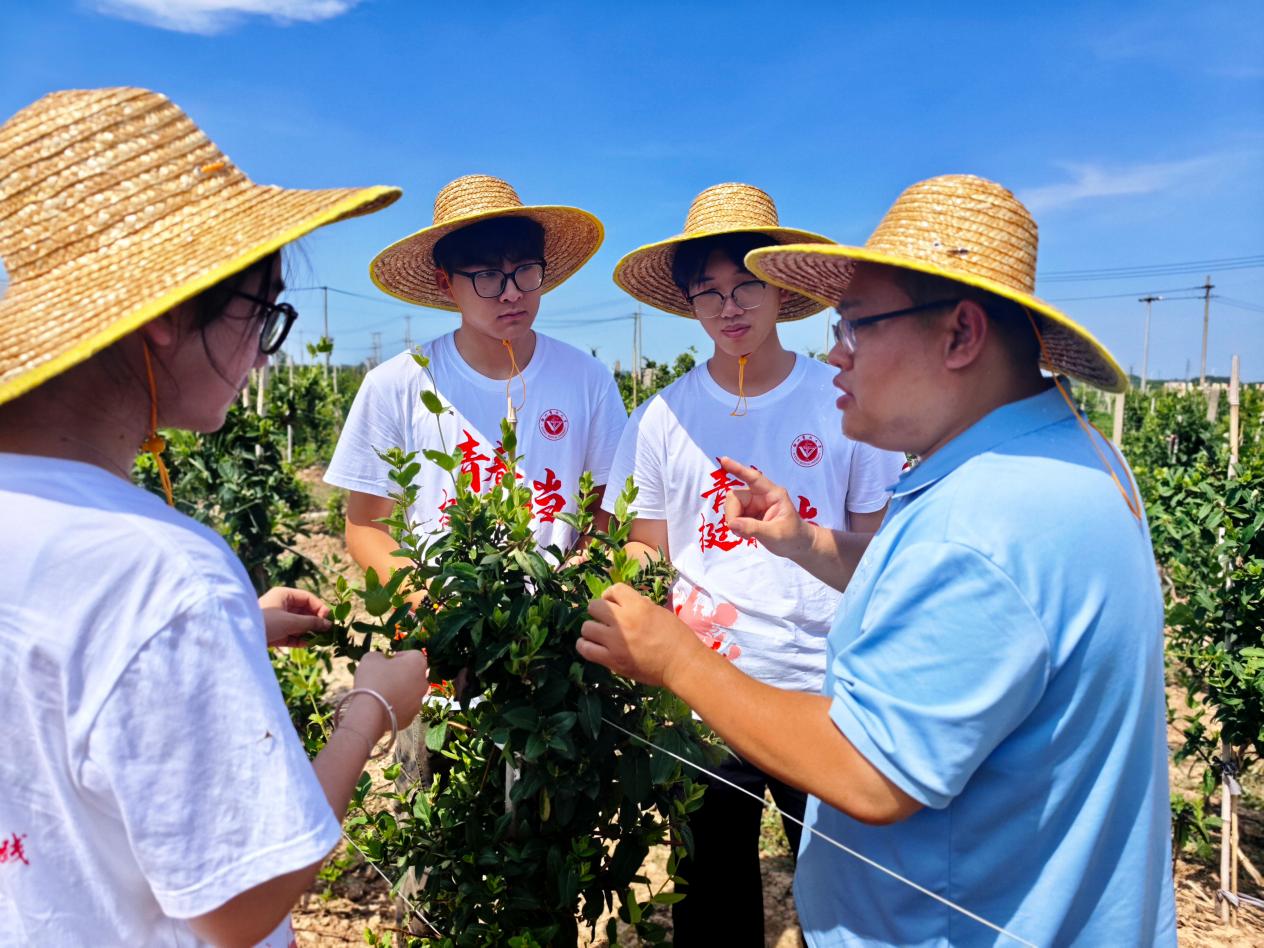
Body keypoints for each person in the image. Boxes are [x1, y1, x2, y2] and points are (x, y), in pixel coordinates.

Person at [578, 175, 1178, 946]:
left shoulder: (983, 524)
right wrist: (804, 542)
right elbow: (923, 586)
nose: (835, 354)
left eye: (856, 325)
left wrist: (678, 660)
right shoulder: (1065, 459)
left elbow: (869, 771)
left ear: (960, 335)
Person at [0, 87, 430, 947]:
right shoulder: (158, 573)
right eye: (263, 311)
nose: (261, 353)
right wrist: (372, 707)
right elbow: (241, 904)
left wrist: (227, 631)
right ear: (167, 312)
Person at [607, 182, 905, 944]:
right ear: (688, 303)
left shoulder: (841, 401)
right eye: (707, 292)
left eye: (745, 286)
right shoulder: (662, 417)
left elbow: (878, 553)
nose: (728, 308)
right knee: (712, 903)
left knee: (850, 902)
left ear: (779, 288)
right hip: (707, 697)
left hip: (826, 695)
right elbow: (646, 545)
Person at [326, 174, 626, 582]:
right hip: (439, 612)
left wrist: (567, 590)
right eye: (487, 276)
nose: (511, 293)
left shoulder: (587, 379)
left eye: (525, 271)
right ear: (445, 283)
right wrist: (428, 603)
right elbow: (365, 526)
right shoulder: (396, 384)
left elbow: (607, 511)